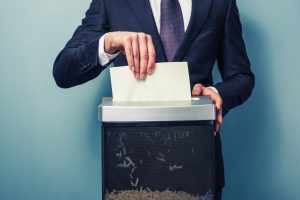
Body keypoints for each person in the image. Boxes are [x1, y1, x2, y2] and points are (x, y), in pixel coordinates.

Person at [53, 0, 255, 199]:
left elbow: (242, 76)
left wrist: (216, 93)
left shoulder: (221, 2)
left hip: (199, 169)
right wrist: (108, 43)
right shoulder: (111, 2)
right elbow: (63, 70)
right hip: (132, 172)